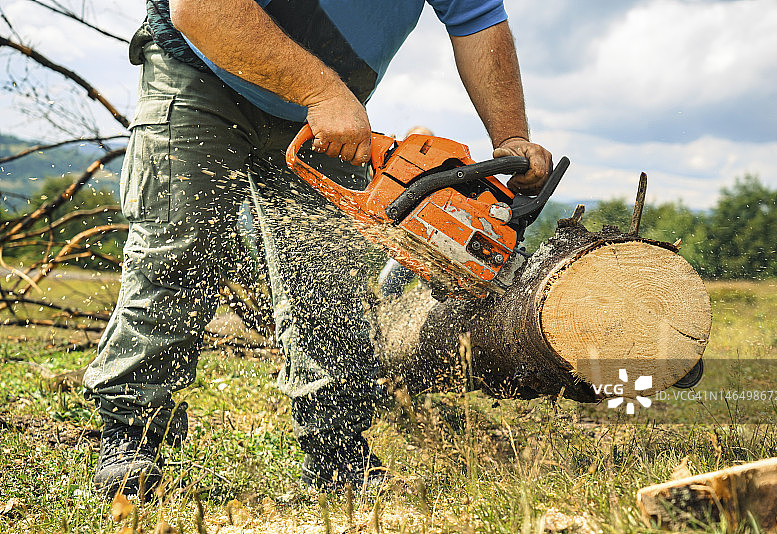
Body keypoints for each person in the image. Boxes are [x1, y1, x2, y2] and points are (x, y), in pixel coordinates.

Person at [83, 0, 553, 498]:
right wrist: (322, 91)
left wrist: (511, 135)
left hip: (327, 107)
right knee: (180, 247)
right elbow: (199, 8)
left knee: (328, 276)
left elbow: (477, 20)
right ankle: (129, 434)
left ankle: (337, 450)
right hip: (203, 65)